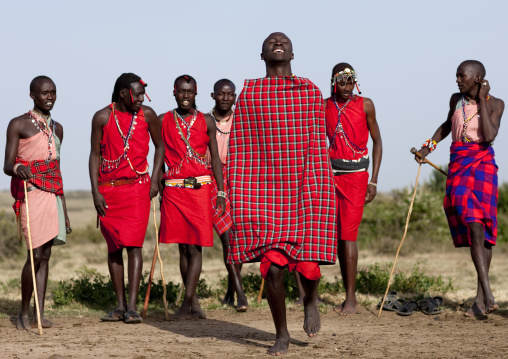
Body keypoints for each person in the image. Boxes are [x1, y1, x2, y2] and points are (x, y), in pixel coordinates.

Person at [227, 32, 337, 355]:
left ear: (293, 53)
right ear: (262, 55)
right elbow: (242, 147)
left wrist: (320, 186)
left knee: (309, 268)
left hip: (304, 187)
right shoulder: (249, 95)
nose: (278, 43)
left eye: (285, 41)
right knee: (273, 267)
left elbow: (318, 145)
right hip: (265, 192)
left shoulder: (309, 93)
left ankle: (311, 299)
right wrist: (239, 188)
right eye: (271, 42)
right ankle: (282, 333)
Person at [417, 60, 504, 317]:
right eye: (456, 76)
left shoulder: (496, 104)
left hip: (483, 167)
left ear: (477, 78)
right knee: (472, 224)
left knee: (481, 228)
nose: (457, 80)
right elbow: (446, 126)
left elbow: (488, 136)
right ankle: (486, 295)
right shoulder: (456, 99)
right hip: (459, 166)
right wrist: (428, 146)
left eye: (461, 76)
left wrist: (483, 100)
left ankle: (482, 297)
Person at [89, 73, 164, 324]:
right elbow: (94, 156)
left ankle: (132, 308)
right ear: (123, 93)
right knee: (114, 248)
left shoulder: (147, 115)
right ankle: (119, 306)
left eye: (143, 94)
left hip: (137, 189)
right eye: (137, 94)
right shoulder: (102, 117)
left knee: (134, 245)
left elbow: (160, 147)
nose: (142, 99)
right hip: (109, 191)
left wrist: (155, 179)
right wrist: (95, 191)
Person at [4, 76, 70, 330]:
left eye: (53, 92)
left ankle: (39, 314)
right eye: (45, 93)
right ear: (32, 95)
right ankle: (22, 313)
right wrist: (18, 167)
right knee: (35, 254)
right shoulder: (18, 124)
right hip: (31, 192)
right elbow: (7, 165)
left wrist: (64, 209)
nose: (50, 97)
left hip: (53, 194)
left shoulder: (58, 128)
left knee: (47, 254)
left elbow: (57, 170)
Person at [159, 75, 225, 320]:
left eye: (190, 92)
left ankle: (187, 302)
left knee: (196, 247)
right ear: (174, 92)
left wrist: (220, 191)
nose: (185, 96)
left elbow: (215, 158)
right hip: (174, 190)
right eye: (181, 91)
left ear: (196, 93)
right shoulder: (163, 120)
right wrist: (157, 179)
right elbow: (158, 152)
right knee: (182, 248)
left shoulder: (207, 120)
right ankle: (193, 301)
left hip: (200, 190)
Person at [325, 63, 382, 316]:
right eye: (342, 82)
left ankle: (351, 299)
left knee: (348, 235)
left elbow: (378, 141)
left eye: (351, 82)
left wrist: (374, 181)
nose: (347, 87)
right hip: (330, 176)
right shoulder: (324, 105)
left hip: (357, 176)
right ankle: (340, 294)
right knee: (338, 236)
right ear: (334, 82)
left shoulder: (365, 104)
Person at [205, 79, 248, 312]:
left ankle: (231, 291)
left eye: (230, 95)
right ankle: (240, 295)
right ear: (213, 96)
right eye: (221, 94)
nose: (225, 98)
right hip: (213, 180)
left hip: (238, 179)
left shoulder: (242, 121)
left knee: (238, 238)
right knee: (227, 238)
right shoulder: (204, 121)